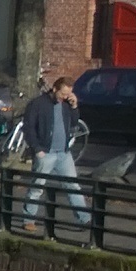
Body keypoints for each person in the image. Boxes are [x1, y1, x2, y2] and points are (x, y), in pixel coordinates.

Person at [19, 75, 92, 233]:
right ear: (54, 89)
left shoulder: (66, 104)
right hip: (46, 152)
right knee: (37, 187)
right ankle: (28, 219)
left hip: (63, 153)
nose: (65, 97)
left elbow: (73, 123)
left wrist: (74, 107)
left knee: (73, 186)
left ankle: (84, 219)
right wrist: (37, 149)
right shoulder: (38, 104)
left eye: (68, 94)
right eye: (63, 94)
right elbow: (29, 127)